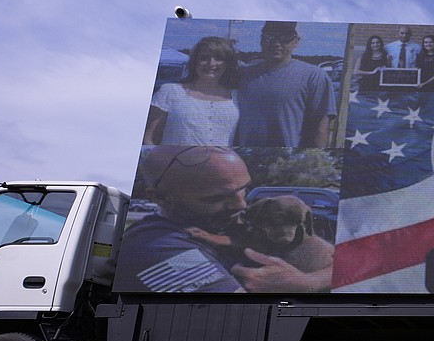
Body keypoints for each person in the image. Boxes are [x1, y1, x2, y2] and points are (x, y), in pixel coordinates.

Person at [119, 146, 333, 293]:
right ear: (159, 197)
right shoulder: (157, 246)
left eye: (244, 189)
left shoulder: (229, 224)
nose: (241, 205)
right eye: (218, 197)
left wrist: (308, 282)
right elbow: (249, 320)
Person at [234, 21, 337, 149]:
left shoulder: (315, 76)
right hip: (245, 158)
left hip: (288, 161)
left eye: (284, 38)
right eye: (269, 38)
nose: (276, 43)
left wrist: (315, 161)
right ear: (261, 40)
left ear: (296, 41)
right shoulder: (244, 74)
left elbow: (321, 127)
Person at [143, 36, 239, 146]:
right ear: (195, 62)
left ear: (227, 64)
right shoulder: (170, 92)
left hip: (221, 162)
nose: (211, 63)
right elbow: (150, 138)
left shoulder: (237, 98)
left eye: (218, 58)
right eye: (204, 58)